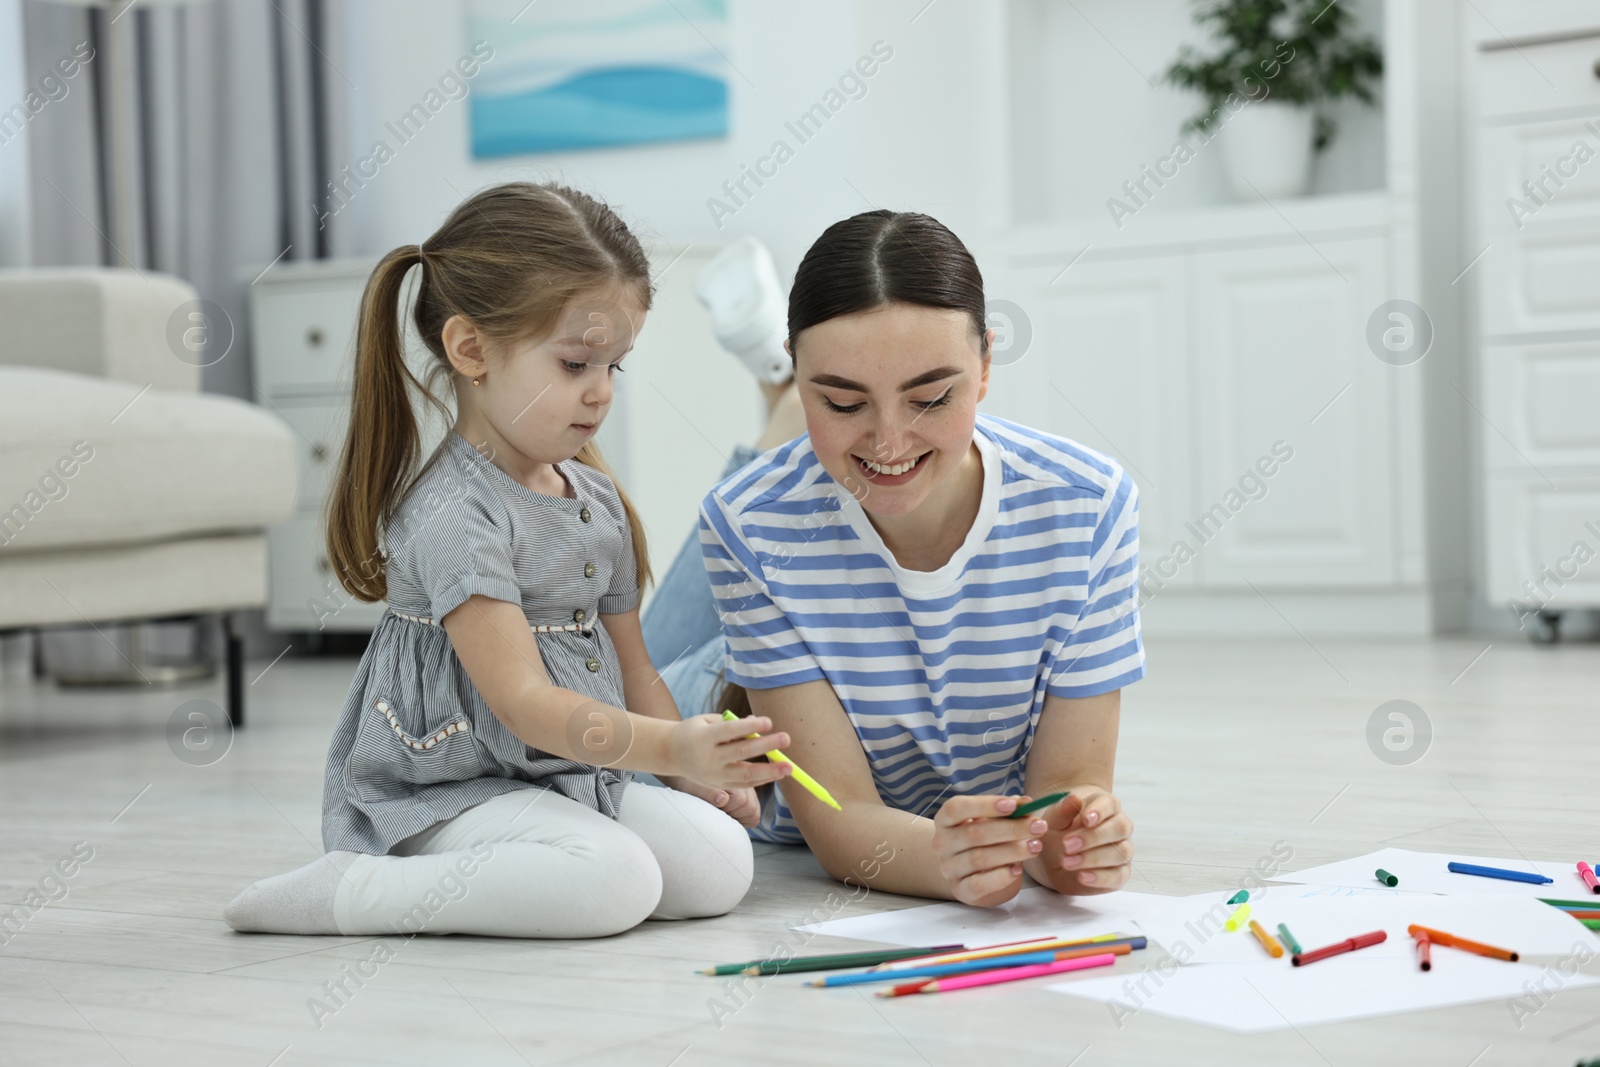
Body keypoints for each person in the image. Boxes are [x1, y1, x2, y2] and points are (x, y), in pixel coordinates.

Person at [222, 181, 794, 939]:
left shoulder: (595, 498)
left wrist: (683, 767)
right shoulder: (455, 513)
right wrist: (666, 745)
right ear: (470, 349)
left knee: (722, 861)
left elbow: (634, 666)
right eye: (574, 364)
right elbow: (521, 703)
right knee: (615, 878)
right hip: (450, 787)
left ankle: (555, 857)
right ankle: (354, 888)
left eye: (614, 367)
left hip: (562, 772)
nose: (600, 393)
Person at [674, 209, 1145, 910]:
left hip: (789, 547)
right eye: (840, 399)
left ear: (985, 364)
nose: (890, 442)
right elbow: (842, 825)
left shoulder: (1089, 507)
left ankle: (786, 404)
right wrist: (946, 858)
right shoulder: (748, 524)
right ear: (808, 371)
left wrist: (1075, 845)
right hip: (697, 695)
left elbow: (1065, 801)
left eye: (930, 398)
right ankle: (779, 399)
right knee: (600, 673)